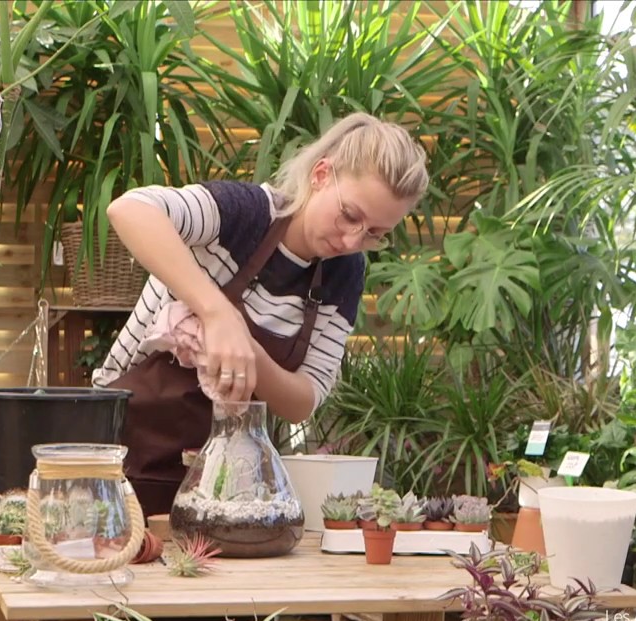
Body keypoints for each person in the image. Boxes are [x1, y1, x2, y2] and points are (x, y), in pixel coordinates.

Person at [93, 112, 430, 517]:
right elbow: (130, 209)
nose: (352, 239)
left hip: (225, 490)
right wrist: (218, 315)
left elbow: (303, 400)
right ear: (322, 174)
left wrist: (245, 350)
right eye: (350, 215)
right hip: (118, 460)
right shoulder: (244, 214)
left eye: (375, 233)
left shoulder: (344, 273)